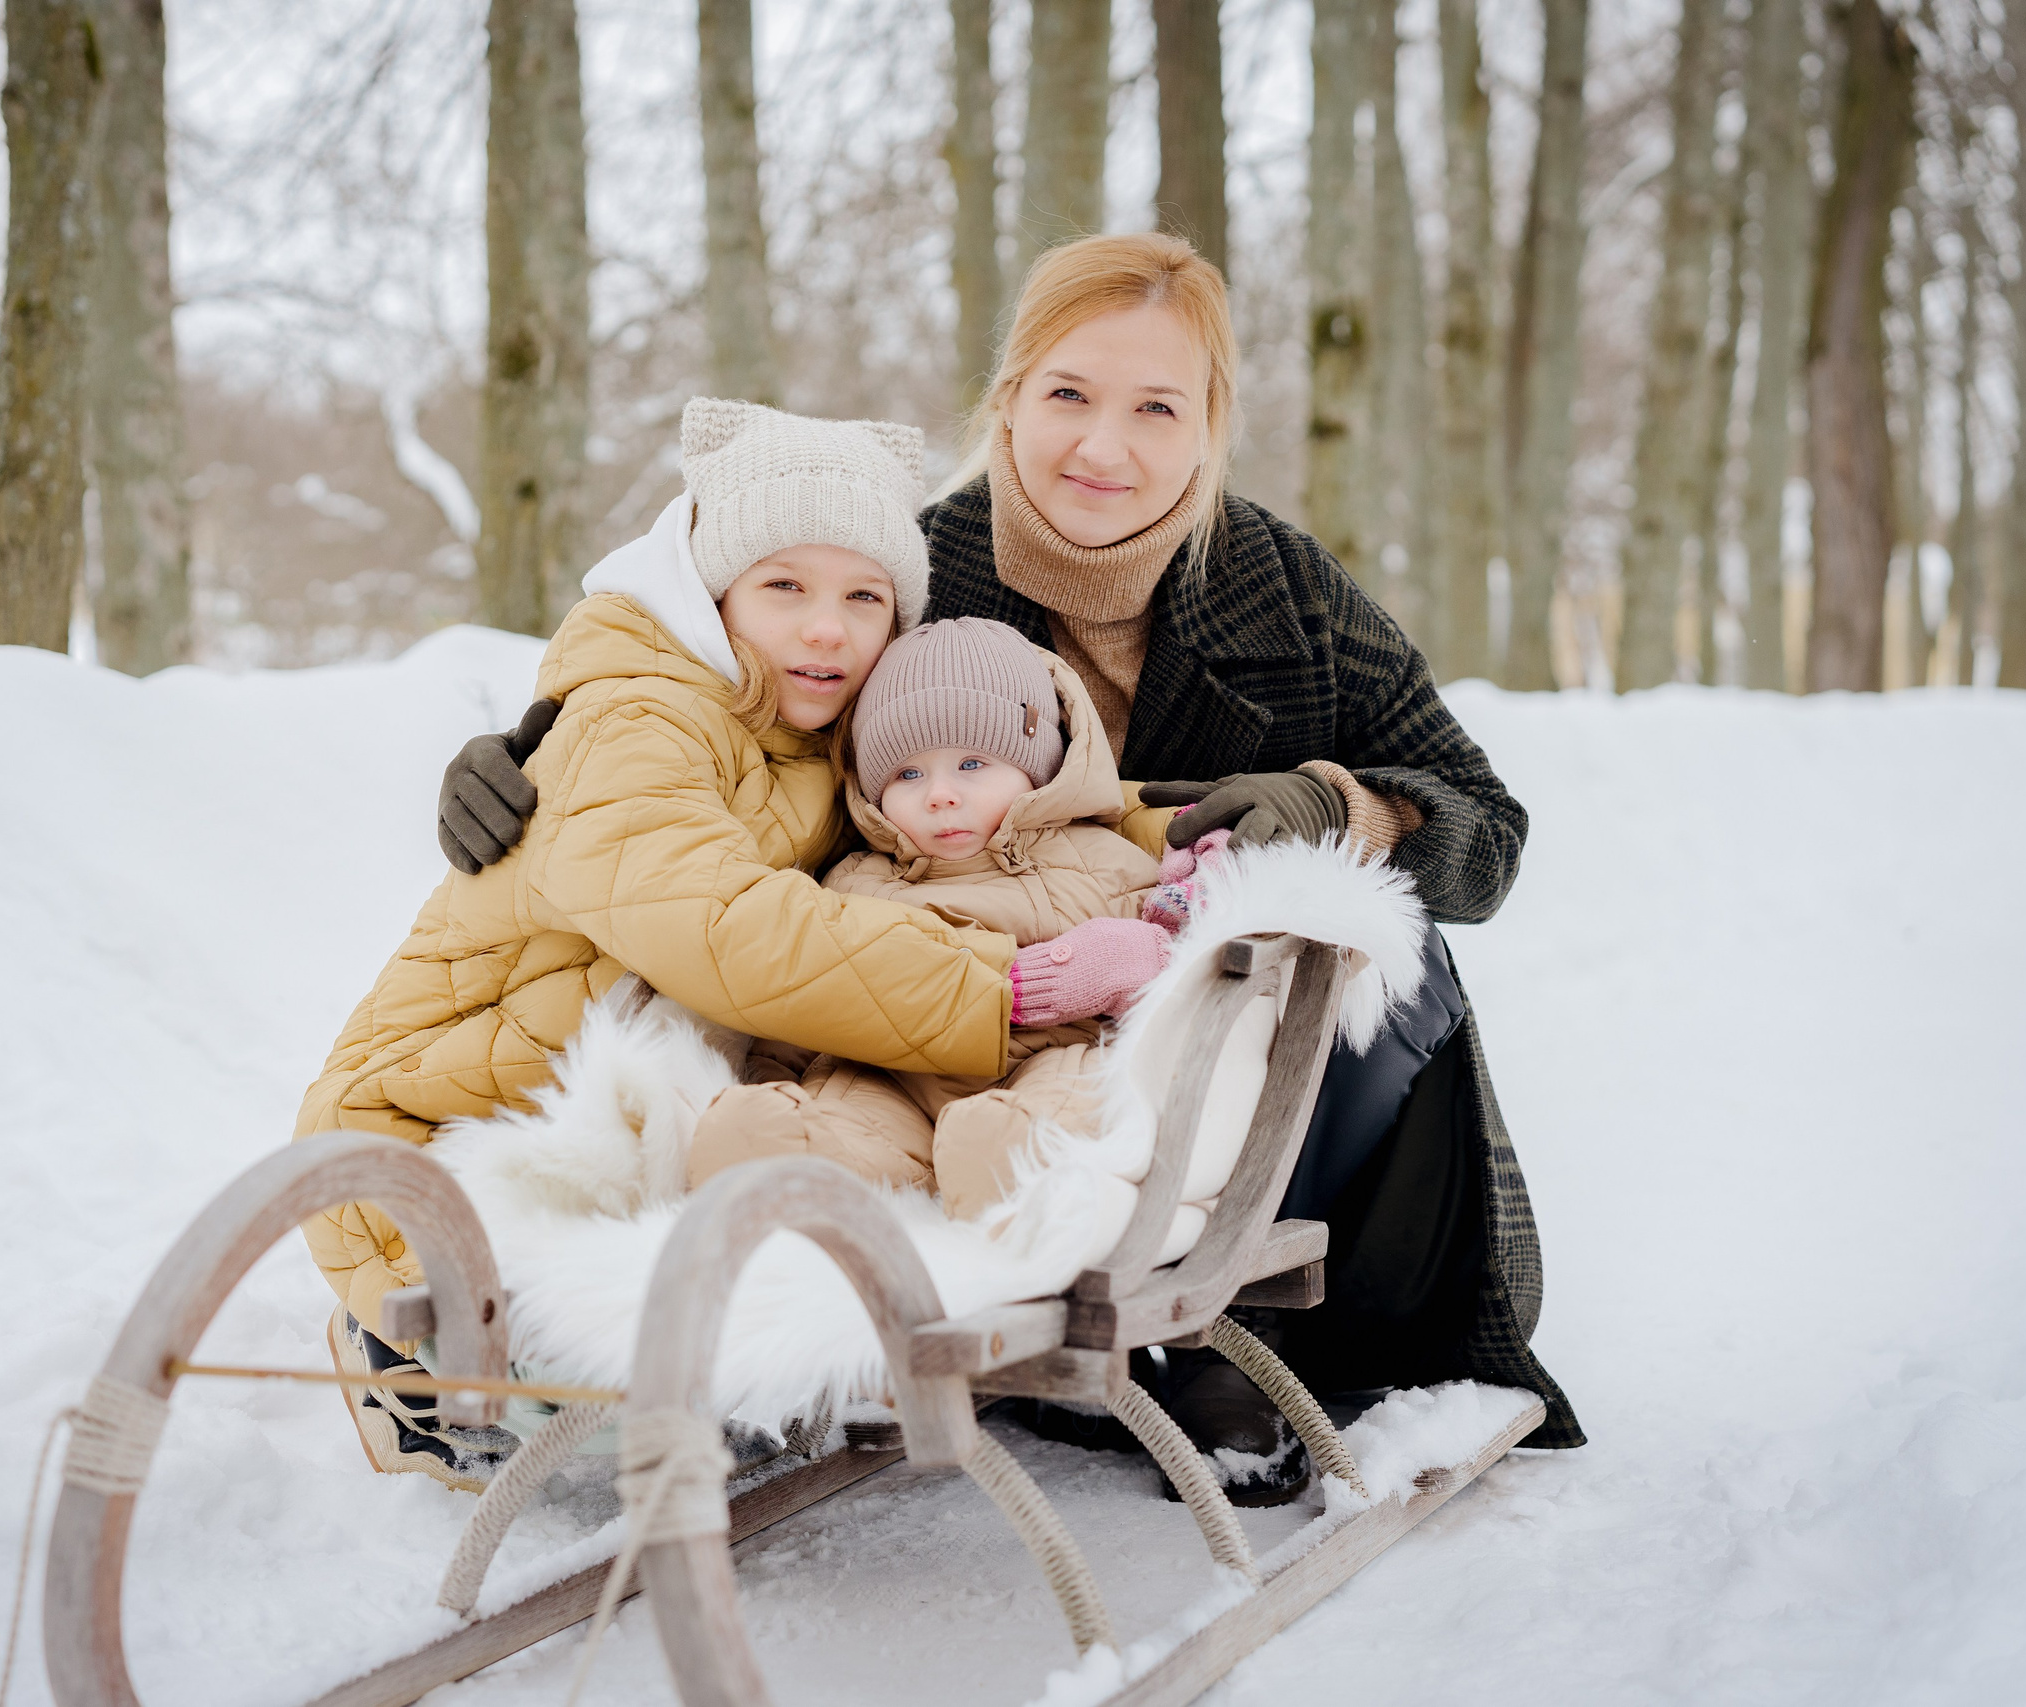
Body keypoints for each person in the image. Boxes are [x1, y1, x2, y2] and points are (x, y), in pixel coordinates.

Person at [435, 233, 1585, 1460]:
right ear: (1008, 400)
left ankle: (1219, 1317)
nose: (1105, 447)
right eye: (1068, 396)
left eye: (1157, 407)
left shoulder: (1285, 593)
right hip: (974, 1021)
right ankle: (942, 1253)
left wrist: (1343, 809)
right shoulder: (919, 570)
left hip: (1208, 1041)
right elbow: (758, 701)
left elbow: (1487, 835)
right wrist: (550, 746)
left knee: (1362, 951)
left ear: (1209, 427)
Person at [297, 398, 1146, 1484]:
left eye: (863, 596)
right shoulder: (638, 721)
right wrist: (1004, 987)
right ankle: (402, 1368)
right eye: (783, 586)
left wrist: (1180, 834)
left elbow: (990, 810)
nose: (827, 628)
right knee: (622, 1415)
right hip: (439, 1131)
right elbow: (724, 928)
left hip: (643, 1100)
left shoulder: (808, 723)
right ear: (709, 590)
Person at [685, 615, 1173, 1215]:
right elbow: (817, 985)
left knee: (1072, 1094)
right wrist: (772, 1068)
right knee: (841, 1115)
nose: (940, 794)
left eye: (972, 765)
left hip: (1049, 1056)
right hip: (891, 1072)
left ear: (1040, 765)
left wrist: (1161, 943)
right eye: (908, 774)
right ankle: (782, 1166)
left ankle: (1018, 1164)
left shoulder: (1100, 859)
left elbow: (1177, 947)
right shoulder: (855, 879)